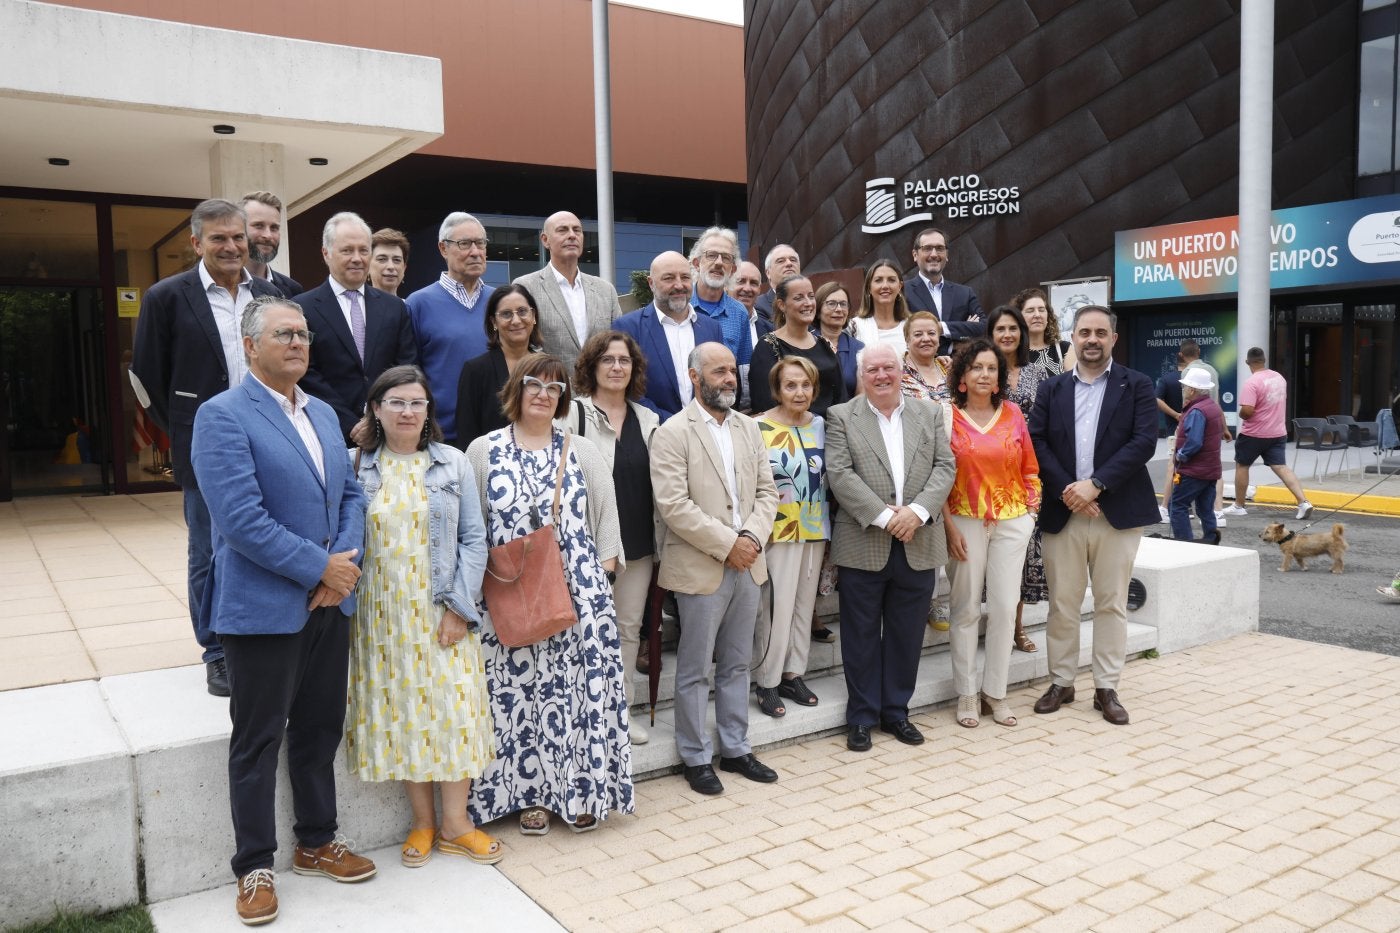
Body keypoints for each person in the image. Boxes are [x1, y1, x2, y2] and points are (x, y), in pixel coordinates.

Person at [190, 296, 373, 926]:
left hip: (330, 600)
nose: (298, 342)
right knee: (259, 737)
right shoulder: (221, 417)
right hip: (263, 607)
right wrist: (316, 568)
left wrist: (342, 569)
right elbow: (240, 520)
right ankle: (255, 866)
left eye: (302, 334)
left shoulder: (323, 412)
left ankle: (317, 840)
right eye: (283, 334)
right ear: (249, 346)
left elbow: (351, 494)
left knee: (320, 727)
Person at [465, 354, 632, 835]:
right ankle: (530, 797)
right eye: (534, 383)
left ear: (563, 399)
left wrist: (598, 585)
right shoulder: (483, 450)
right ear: (515, 388)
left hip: (578, 594)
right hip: (508, 593)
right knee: (516, 699)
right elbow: (473, 527)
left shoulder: (581, 450)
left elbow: (607, 522)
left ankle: (578, 791)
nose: (543, 393)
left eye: (554, 387)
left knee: (575, 695)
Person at [347, 365, 500, 868]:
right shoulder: (357, 466)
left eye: (417, 402)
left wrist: (460, 606)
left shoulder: (452, 464)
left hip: (442, 609)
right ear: (375, 408)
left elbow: (474, 540)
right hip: (382, 616)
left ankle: (457, 824)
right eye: (396, 402)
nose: (408, 411)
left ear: (429, 411)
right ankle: (423, 823)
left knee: (454, 714)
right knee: (405, 716)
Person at [129, 198, 280, 696]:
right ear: (197, 243)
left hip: (274, 442)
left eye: (238, 236)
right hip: (207, 449)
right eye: (218, 238)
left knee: (271, 540)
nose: (231, 246)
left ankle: (262, 636)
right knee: (209, 550)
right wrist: (188, 433)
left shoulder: (274, 294)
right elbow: (147, 379)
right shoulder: (166, 297)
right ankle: (215, 650)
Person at [651, 343, 780, 795]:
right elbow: (673, 506)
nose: (729, 378)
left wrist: (750, 540)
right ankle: (695, 755)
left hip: (749, 563)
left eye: (732, 371)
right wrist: (729, 544)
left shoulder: (748, 426)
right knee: (693, 669)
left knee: (737, 663)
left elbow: (768, 492)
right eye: (718, 371)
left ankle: (736, 747)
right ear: (694, 376)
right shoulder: (671, 432)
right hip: (701, 567)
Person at [1029, 306, 1158, 726]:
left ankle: (1107, 687)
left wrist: (1096, 485)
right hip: (1063, 509)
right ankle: (1062, 682)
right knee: (1063, 604)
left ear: (1113, 339)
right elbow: (1037, 442)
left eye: (1101, 332)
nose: (1092, 339)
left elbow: (1143, 443)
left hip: (1115, 511)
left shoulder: (1137, 385)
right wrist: (1072, 490)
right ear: (1073, 335)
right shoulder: (1051, 389)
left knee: (1111, 603)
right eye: (1084, 331)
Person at [826, 342, 956, 752]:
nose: (881, 376)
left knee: (906, 634)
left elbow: (945, 466)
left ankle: (896, 712)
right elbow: (840, 475)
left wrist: (915, 513)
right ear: (860, 376)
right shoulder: (841, 416)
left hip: (919, 538)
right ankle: (862, 717)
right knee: (860, 635)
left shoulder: (929, 412)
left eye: (887, 368)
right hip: (864, 539)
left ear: (900, 370)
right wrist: (887, 518)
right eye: (872, 370)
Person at [562, 330, 660, 743]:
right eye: (608, 360)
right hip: (587, 546)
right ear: (592, 367)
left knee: (626, 630)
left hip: (638, 542)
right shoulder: (573, 415)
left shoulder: (648, 419)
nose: (617, 367)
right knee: (582, 631)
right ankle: (581, 713)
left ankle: (621, 712)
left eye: (624, 360)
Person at [941, 339, 1039, 729]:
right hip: (963, 520)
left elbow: (1030, 466)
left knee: (1002, 608)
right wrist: (948, 525)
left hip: (1012, 520)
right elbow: (937, 477)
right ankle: (966, 691)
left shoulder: (1013, 414)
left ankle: (995, 692)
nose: (984, 375)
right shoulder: (945, 417)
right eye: (976, 368)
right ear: (962, 377)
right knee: (965, 609)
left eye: (991, 369)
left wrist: (1031, 511)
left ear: (1000, 378)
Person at [294, 211, 418, 443]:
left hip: (387, 431)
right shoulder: (302, 308)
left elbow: (406, 367)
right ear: (326, 253)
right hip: (328, 432)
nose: (357, 258)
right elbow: (306, 373)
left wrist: (378, 418)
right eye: (347, 250)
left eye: (363, 250)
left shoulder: (394, 308)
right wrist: (350, 424)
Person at [752, 356, 830, 717]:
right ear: (777, 390)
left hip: (814, 527)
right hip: (777, 532)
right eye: (791, 385)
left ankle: (793, 673)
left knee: (803, 607)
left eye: (806, 385)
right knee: (777, 609)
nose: (799, 392)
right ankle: (767, 681)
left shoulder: (821, 426)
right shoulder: (757, 428)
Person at [1009, 288, 1073, 651]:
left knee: (1033, 544)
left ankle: (1017, 625)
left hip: (1044, 457)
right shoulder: (1004, 359)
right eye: (1028, 310)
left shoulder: (1061, 351)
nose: (1035, 316)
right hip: (1004, 463)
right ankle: (1003, 623)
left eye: (1041, 310)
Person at [986, 303, 1049, 652]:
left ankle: (1016, 627)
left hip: (1026, 473)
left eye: (1013, 329)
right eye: (1000, 329)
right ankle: (994, 624)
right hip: (987, 474)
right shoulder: (983, 370)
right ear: (991, 335)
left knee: (1021, 556)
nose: (1007, 335)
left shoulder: (1038, 374)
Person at [404, 212, 494, 445]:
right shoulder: (419, 303)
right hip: (441, 438)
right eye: (465, 244)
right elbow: (409, 372)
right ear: (443, 249)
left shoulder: (500, 302)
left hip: (497, 435)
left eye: (480, 243)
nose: (475, 251)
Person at [613, 251, 723, 420]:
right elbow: (627, 390)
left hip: (706, 431)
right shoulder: (627, 328)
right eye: (669, 278)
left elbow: (720, 379)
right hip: (653, 435)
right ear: (651, 283)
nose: (679, 285)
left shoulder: (711, 328)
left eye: (685, 277)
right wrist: (675, 425)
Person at [513, 210, 621, 373]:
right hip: (551, 390)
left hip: (600, 392)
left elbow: (619, 342)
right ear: (545, 240)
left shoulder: (606, 290)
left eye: (577, 230)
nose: (572, 235)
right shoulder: (525, 287)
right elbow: (522, 346)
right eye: (562, 230)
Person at [1225, 347, 1313, 520]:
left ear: (1247, 362)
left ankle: (1239, 505)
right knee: (1281, 466)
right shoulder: (1279, 378)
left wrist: (1241, 415)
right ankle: (1303, 502)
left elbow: (1248, 411)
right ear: (1264, 360)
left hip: (1254, 433)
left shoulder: (1252, 383)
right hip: (1277, 432)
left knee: (1242, 465)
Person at [454, 284, 543, 448]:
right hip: (492, 467)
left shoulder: (547, 368)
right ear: (494, 322)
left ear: (534, 316)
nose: (516, 321)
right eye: (506, 314)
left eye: (522, 311)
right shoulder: (476, 370)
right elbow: (467, 435)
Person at [749, 275, 848, 416]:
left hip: (830, 432)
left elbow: (841, 398)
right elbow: (764, 403)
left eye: (811, 296)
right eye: (799, 298)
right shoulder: (768, 347)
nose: (808, 303)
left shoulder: (824, 345)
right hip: (787, 433)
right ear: (782, 305)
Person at [903, 227, 984, 355]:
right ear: (915, 255)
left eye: (940, 248)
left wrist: (941, 327)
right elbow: (901, 334)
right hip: (918, 371)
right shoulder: (902, 291)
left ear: (946, 255)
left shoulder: (964, 293)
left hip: (959, 370)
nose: (934, 254)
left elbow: (983, 328)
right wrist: (957, 337)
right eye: (927, 248)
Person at [1179, 339, 1232, 523]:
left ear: (1181, 355)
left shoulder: (1189, 373)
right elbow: (1217, 402)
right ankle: (1218, 510)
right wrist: (1224, 427)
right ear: (1199, 351)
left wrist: (1181, 453)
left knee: (1186, 471)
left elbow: (1187, 403)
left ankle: (1183, 510)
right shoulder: (1212, 371)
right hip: (1214, 421)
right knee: (1213, 468)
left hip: (1197, 423)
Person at [1169, 367, 1224, 544]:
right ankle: (1211, 540)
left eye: (1185, 387)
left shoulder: (1196, 411)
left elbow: (1194, 442)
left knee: (1177, 506)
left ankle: (1185, 546)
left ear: (1192, 390)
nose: (1183, 390)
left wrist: (1180, 456)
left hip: (1194, 470)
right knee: (1205, 509)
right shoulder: (1212, 407)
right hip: (1211, 469)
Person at [689, 227, 753, 370]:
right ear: (696, 263)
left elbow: (744, 368)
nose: (718, 262)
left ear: (733, 270)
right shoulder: (680, 305)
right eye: (711, 255)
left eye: (726, 257)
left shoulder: (739, 312)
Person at [729, 259, 773, 411]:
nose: (747, 288)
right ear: (728, 284)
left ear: (760, 289)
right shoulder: (714, 325)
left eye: (753, 283)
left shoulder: (770, 331)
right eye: (740, 281)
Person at [240, 192, 302, 298]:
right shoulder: (218, 285)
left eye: (274, 228)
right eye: (258, 226)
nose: (268, 235)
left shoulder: (293, 290)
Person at [850, 259, 913, 359]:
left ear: (900, 286)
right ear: (869, 287)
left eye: (891, 280)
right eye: (878, 280)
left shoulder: (913, 325)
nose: (885, 286)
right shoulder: (854, 327)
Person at [813, 281, 863, 398]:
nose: (839, 309)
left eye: (843, 304)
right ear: (818, 310)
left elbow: (862, 394)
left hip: (849, 414)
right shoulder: (806, 344)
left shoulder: (859, 349)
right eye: (832, 304)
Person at [1155, 351, 1187, 522]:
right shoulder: (1197, 378)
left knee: (1173, 466)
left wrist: (1175, 415)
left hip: (1174, 430)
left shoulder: (1167, 379)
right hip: (1197, 430)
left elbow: (1156, 399)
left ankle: (1166, 507)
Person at [900, 310, 951, 404]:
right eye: (918, 334)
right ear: (907, 339)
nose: (926, 339)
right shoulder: (896, 371)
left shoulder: (949, 368)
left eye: (931, 333)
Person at [754, 243, 800, 322]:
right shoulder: (758, 306)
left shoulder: (811, 303)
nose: (789, 263)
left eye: (793, 260)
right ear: (768, 273)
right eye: (781, 261)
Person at [369, 228, 409, 297]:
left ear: (404, 268)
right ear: (367, 266)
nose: (391, 267)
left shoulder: (410, 307)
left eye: (397, 260)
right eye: (382, 259)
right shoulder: (356, 307)